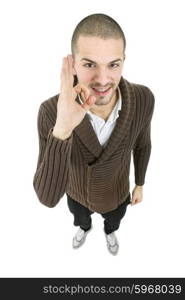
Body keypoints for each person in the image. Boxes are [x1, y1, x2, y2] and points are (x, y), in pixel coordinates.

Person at [33, 13, 155, 255]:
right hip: (77, 194)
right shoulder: (50, 112)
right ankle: (85, 228)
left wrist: (139, 183)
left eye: (113, 64)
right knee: (81, 220)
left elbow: (142, 145)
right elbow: (47, 198)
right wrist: (63, 128)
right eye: (89, 64)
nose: (102, 79)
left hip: (116, 195)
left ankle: (109, 233)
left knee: (113, 222)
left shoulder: (143, 99)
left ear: (123, 61)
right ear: (73, 64)